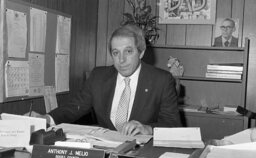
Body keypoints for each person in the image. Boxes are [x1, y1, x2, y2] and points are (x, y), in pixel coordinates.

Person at [30, 24, 181, 136]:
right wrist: (47, 118)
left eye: (128, 51)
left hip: (142, 154)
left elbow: (173, 126)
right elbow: (75, 107)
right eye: (116, 53)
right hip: (106, 153)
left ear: (141, 52)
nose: (121, 59)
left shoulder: (161, 80)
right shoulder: (98, 77)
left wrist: (147, 129)